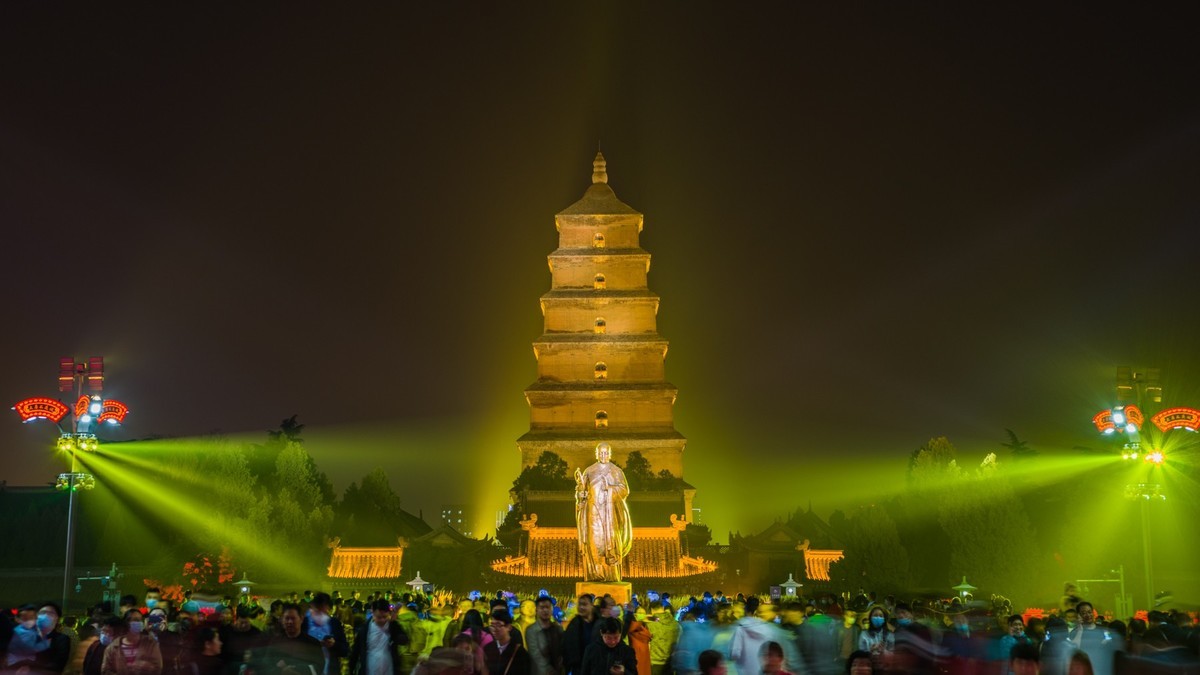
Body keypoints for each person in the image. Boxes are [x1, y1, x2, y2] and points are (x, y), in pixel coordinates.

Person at [574, 443, 633, 582]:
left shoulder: (616, 471)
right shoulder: (589, 470)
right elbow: (581, 493)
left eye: (606, 453)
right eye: (600, 453)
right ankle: (595, 575)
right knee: (593, 543)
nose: (603, 455)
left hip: (609, 513)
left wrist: (610, 488)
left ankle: (610, 575)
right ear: (596, 454)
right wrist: (581, 491)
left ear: (610, 454)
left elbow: (625, 490)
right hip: (592, 512)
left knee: (610, 542)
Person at [348, 600, 411, 675]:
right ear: (372, 613)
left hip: (389, 668)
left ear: (389, 614)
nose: (382, 620)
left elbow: (404, 641)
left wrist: (394, 623)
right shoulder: (364, 630)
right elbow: (356, 651)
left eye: (385, 617)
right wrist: (351, 669)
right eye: (379, 617)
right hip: (370, 667)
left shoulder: (392, 626)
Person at [261, 604, 323, 675]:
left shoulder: (312, 643)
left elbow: (319, 666)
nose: (290, 622)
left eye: (293, 618)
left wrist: (296, 669)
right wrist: (280, 671)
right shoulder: (275, 642)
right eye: (287, 618)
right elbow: (266, 664)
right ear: (282, 620)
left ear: (301, 619)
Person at [101, 608, 163, 675]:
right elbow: (105, 671)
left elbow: (157, 668)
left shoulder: (151, 643)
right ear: (126, 623)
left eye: (140, 620)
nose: (139, 623)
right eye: (136, 620)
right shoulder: (113, 647)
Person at [302, 593, 349, 675]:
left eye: (324, 610)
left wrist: (334, 644)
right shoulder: (304, 623)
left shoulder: (334, 623)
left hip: (330, 670)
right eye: (317, 610)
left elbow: (345, 651)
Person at [1066, 603, 1119, 675]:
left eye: (1089, 612)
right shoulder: (1075, 633)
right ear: (1079, 615)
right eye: (1084, 613)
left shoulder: (1103, 630)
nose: (1088, 615)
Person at [525, 597, 563, 675]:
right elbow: (536, 654)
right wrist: (550, 671)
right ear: (537, 610)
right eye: (542, 607)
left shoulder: (558, 629)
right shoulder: (531, 631)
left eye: (548, 607)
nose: (545, 610)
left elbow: (562, 650)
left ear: (552, 609)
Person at [484, 611, 529, 675]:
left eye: (498, 625)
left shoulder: (520, 652)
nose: (494, 629)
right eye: (492, 625)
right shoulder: (488, 648)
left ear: (509, 627)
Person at [562, 596, 596, 675]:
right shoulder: (574, 624)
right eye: (579, 604)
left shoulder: (598, 623)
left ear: (591, 605)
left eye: (584, 604)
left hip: (595, 667)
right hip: (578, 668)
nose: (581, 607)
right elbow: (567, 646)